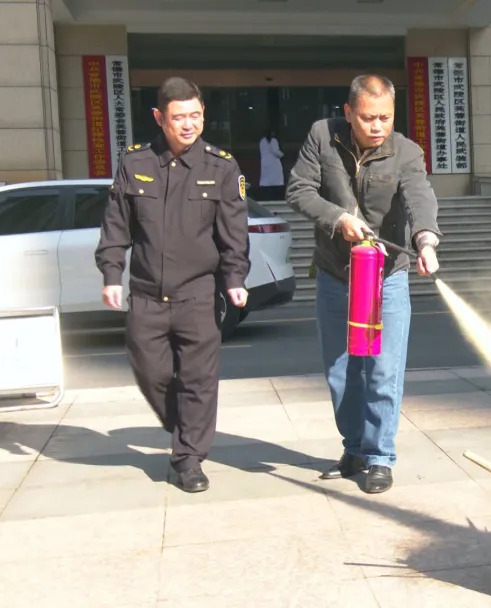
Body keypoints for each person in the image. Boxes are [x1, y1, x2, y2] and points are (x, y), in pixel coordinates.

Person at [286, 74, 441, 492]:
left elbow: (419, 196)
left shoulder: (406, 151)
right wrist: (338, 219)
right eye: (368, 118)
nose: (377, 127)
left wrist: (425, 241)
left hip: (388, 274)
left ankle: (378, 456)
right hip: (337, 272)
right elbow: (298, 190)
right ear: (349, 112)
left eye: (385, 118)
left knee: (381, 369)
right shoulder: (322, 136)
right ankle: (354, 446)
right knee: (341, 369)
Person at [95, 77, 250, 493]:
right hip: (146, 294)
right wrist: (112, 273)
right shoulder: (135, 164)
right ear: (159, 118)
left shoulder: (221, 166)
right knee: (151, 372)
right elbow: (116, 226)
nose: (188, 125)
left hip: (198, 294)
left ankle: (188, 460)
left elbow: (233, 233)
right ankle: (185, 426)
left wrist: (235, 278)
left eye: (195, 116)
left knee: (199, 381)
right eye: (179, 117)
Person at [259, 128, 285, 200]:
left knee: (266, 180)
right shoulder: (274, 141)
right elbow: (275, 151)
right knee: (276, 181)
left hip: (265, 163)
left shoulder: (262, 141)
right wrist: (282, 154)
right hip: (274, 164)